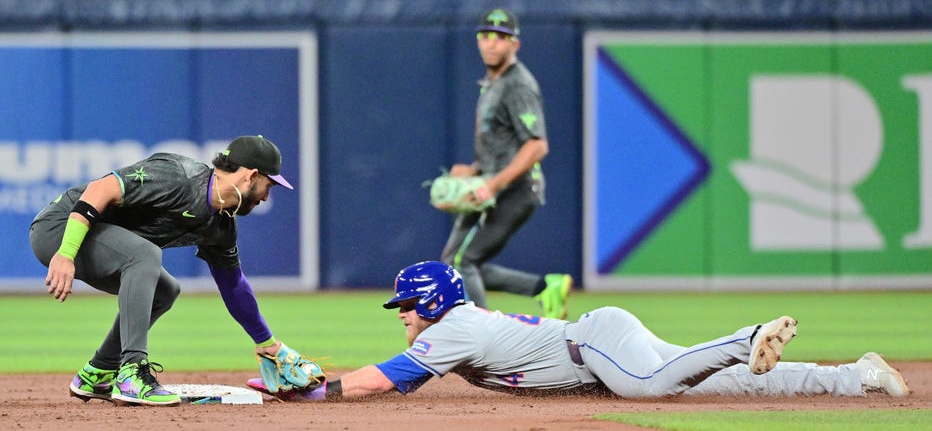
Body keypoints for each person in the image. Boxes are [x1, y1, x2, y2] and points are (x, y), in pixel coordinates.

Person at [250, 260, 911, 400]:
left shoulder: (450, 328)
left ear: (431, 303)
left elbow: (382, 381)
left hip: (592, 345)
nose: (402, 315)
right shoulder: (455, 324)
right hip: (594, 344)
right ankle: (858, 374)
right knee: (739, 386)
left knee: (649, 389)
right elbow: (403, 380)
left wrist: (317, 392)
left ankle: (748, 335)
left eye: (405, 305)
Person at [30, 135, 320, 406]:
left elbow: (234, 287)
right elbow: (100, 188)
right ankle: (132, 373)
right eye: (269, 186)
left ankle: (98, 372)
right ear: (251, 176)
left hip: (96, 240)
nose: (266, 197)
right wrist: (66, 253)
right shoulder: (179, 176)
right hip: (60, 229)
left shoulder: (220, 225)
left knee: (165, 290)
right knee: (145, 254)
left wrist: (267, 343)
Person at [439, 8, 571, 320]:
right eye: (485, 36)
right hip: (492, 184)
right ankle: (543, 286)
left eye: (501, 37)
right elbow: (503, 143)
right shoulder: (493, 82)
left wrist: (492, 183)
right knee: (454, 262)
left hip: (515, 189)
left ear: (515, 44)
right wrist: (474, 171)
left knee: (463, 262)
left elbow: (537, 145)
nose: (491, 44)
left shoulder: (518, 85)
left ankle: (483, 341)